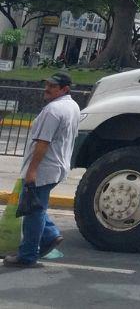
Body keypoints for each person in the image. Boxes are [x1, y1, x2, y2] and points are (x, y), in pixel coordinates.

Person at [4, 72, 81, 269]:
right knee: (36, 205)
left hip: (45, 168)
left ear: (65, 89)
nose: (47, 89)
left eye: (52, 86)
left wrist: (32, 171)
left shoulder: (53, 110)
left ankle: (28, 255)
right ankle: (50, 235)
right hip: (59, 165)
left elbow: (42, 143)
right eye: (47, 84)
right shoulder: (72, 106)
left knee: (32, 210)